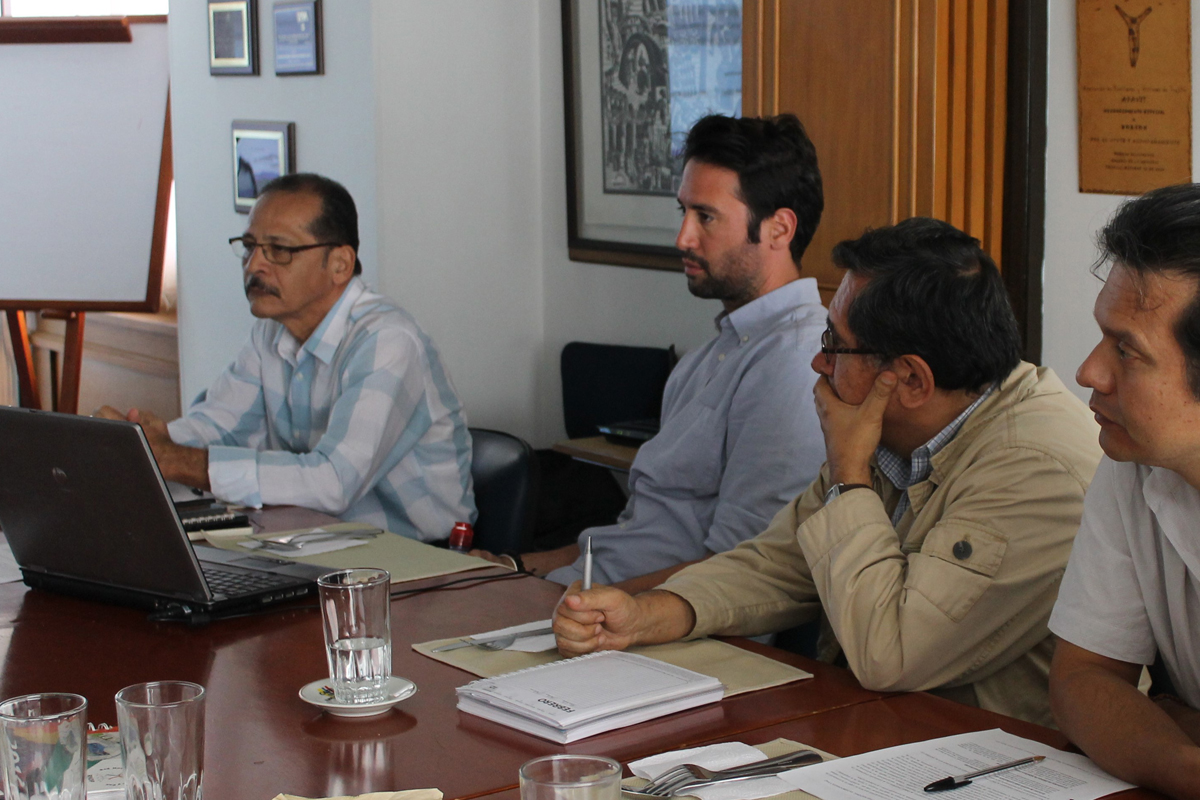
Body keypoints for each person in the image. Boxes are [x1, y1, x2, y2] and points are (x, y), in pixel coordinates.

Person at [554, 217, 1103, 726]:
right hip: (885, 733)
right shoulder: (897, 428)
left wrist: (848, 474)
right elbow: (777, 563)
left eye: (833, 344)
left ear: (910, 380)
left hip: (997, 764)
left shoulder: (1037, 469)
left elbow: (890, 654)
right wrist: (645, 614)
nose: (819, 365)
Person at [479, 113, 828, 592]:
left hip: (645, 626)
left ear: (778, 229)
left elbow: (743, 575)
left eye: (705, 216)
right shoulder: (709, 357)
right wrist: (516, 568)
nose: (683, 238)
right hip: (595, 597)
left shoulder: (796, 361)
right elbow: (635, 534)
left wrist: (588, 608)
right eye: (682, 213)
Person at [98, 173, 475, 542]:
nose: (254, 265)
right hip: (308, 543)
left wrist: (178, 460)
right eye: (249, 247)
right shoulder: (273, 331)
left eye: (279, 250)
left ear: (340, 264)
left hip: (420, 562)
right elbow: (220, 425)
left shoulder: (387, 342)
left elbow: (334, 481)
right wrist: (142, 446)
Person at [1049, 184, 1200, 798]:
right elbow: (1082, 680)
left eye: (1127, 351)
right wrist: (1184, 762)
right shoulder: (1132, 460)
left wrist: (1165, 717)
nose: (1088, 371)